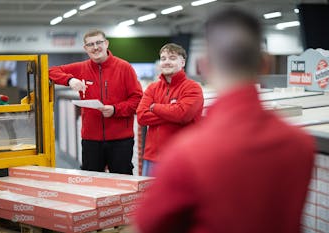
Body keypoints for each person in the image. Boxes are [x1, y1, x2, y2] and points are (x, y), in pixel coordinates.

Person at [134, 7, 315, 233]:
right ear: (265, 64)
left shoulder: (186, 152)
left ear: (206, 67)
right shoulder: (300, 144)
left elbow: (151, 225)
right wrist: (166, 110)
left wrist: (155, 108)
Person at [49, 29, 142, 175]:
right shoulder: (81, 68)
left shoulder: (124, 68)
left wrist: (115, 109)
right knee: (91, 182)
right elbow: (51, 71)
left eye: (99, 42)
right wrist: (70, 80)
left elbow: (137, 100)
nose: (95, 47)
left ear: (106, 44)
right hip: (91, 140)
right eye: (90, 44)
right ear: (85, 49)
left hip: (120, 140)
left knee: (122, 182)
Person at [136, 43, 203, 176]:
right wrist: (172, 112)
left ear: (182, 62)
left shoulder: (192, 88)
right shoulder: (152, 88)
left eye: (172, 58)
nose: (167, 62)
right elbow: (141, 116)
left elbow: (183, 114)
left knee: (180, 197)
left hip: (182, 157)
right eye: (163, 58)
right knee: (150, 196)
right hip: (152, 158)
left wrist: (154, 107)